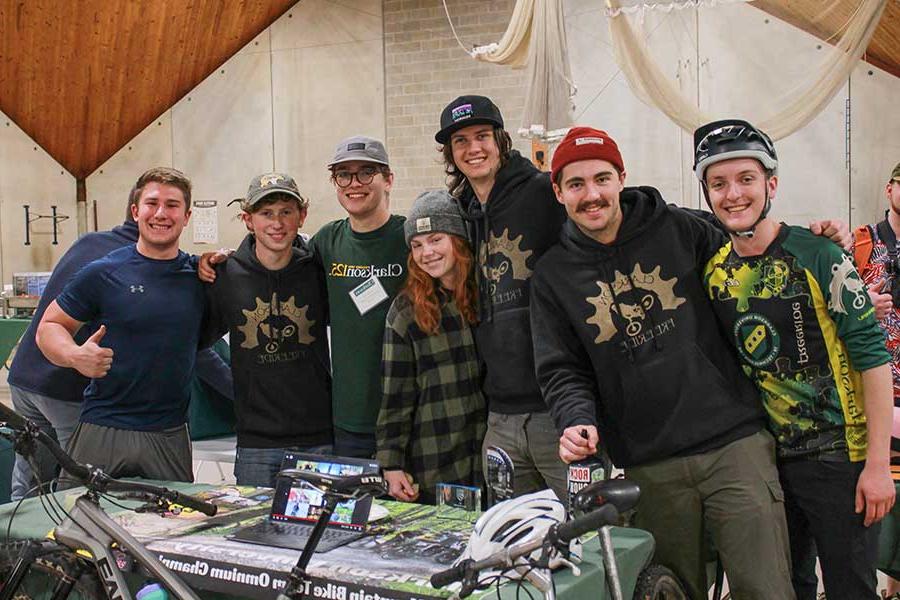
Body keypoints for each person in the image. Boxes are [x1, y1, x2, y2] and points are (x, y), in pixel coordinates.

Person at [530, 126, 795, 600]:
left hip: (733, 444)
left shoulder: (680, 228)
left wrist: (809, 245)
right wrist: (575, 420)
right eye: (576, 184)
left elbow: (751, 260)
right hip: (649, 464)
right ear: (558, 192)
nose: (592, 194)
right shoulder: (552, 275)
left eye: (602, 178)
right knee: (671, 590)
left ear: (622, 178)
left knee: (766, 588)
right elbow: (561, 369)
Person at [697, 119, 894, 600]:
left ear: (771, 184)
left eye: (746, 179)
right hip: (765, 461)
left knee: (851, 588)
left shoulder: (820, 254)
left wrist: (877, 464)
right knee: (790, 586)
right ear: (705, 193)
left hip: (838, 458)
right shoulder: (716, 274)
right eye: (718, 184)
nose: (733, 194)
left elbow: (873, 359)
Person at [36, 167, 207, 483]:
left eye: (172, 205)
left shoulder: (199, 276)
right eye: (152, 203)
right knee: (80, 526)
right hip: (104, 426)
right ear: (135, 211)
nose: (160, 213)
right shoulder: (103, 273)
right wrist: (75, 356)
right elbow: (49, 326)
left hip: (169, 433)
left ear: (186, 216)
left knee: (172, 528)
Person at [436, 95, 568, 501]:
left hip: (556, 409)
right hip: (499, 415)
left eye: (482, 136)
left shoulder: (543, 193)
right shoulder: (458, 213)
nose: (473, 149)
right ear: (450, 153)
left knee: (589, 539)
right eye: (461, 141)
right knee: (514, 541)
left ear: (501, 140)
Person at [204, 173, 332, 487]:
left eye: (286, 212)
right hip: (256, 445)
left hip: (319, 439)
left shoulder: (318, 271)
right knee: (254, 532)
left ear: (302, 216)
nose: (277, 223)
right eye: (266, 213)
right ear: (248, 220)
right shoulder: (226, 275)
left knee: (319, 532)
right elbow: (194, 342)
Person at [377, 190, 486, 505]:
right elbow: (395, 396)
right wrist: (391, 463)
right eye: (417, 244)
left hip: (487, 456)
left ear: (458, 239)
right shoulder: (406, 311)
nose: (427, 252)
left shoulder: (488, 295)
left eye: (436, 239)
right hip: (433, 459)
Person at [308, 136, 408, 458]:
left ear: (388, 179)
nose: (355, 183)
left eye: (367, 172)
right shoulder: (327, 241)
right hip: (349, 420)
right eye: (344, 174)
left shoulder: (410, 239)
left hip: (407, 415)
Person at [853, 161, 900, 598]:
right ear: (889, 189)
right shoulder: (861, 244)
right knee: (878, 491)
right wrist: (864, 302)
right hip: (879, 386)